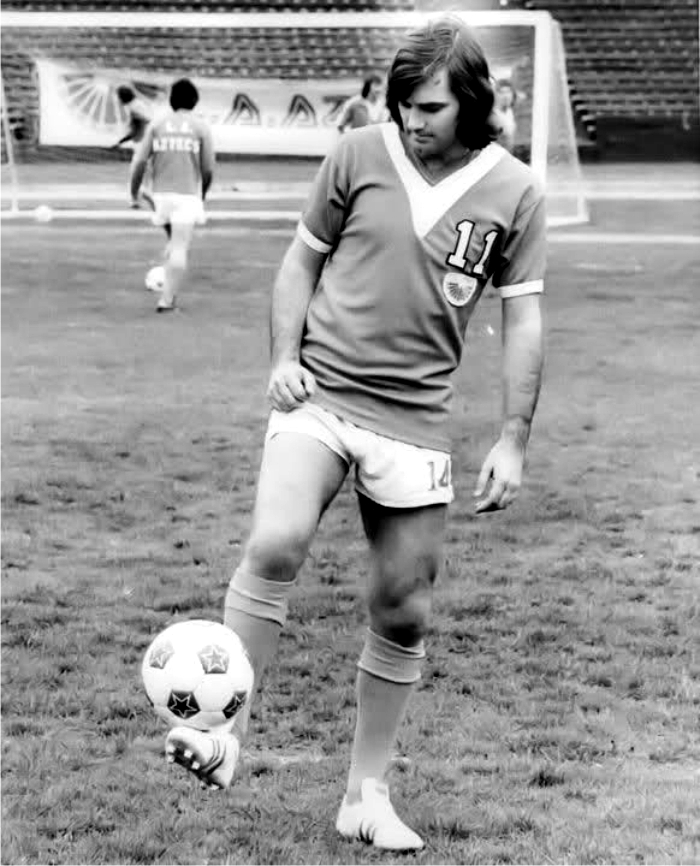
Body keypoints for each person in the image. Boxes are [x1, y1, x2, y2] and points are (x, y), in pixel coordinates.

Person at [164, 16, 546, 851]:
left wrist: (513, 435)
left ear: (473, 102)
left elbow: (523, 321)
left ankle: (364, 796)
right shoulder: (356, 154)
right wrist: (282, 357)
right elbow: (301, 259)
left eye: (434, 106)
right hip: (322, 398)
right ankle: (221, 738)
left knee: (404, 610)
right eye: (405, 102)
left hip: (415, 420)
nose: (415, 119)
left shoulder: (514, 190)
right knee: (275, 542)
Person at [129, 78, 215, 312]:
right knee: (180, 247)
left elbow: (138, 163)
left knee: (172, 241)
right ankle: (166, 301)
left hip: (161, 196)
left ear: (172, 100)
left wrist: (134, 192)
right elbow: (208, 168)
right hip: (186, 195)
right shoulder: (200, 128)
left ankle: (166, 283)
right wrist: (203, 194)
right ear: (194, 101)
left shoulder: (157, 125)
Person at [494, 78, 517, 152]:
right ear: (496, 95)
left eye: (508, 92)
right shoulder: (492, 116)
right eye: (501, 92)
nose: (505, 96)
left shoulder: (513, 113)